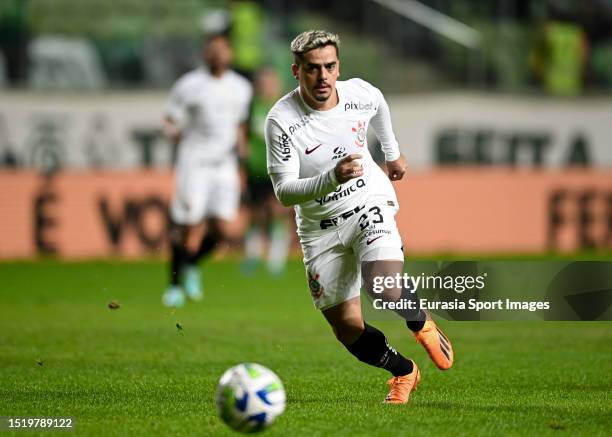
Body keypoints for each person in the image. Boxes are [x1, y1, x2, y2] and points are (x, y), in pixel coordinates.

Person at [264, 30, 453, 404]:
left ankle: (421, 322)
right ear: (296, 71)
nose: (323, 77)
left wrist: (392, 153)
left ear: (338, 67)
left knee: (382, 283)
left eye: (330, 67)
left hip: (368, 201)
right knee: (347, 329)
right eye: (312, 69)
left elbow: (379, 105)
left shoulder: (359, 94)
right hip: (319, 229)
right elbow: (284, 192)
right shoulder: (281, 120)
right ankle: (403, 372)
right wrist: (330, 177)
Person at [162, 33, 252, 307]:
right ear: (205, 54)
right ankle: (174, 287)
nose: (217, 55)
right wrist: (175, 134)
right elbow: (169, 119)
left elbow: (239, 123)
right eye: (211, 50)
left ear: (230, 54)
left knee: (223, 231)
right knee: (189, 224)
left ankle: (191, 265)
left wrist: (242, 147)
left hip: (224, 164)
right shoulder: (189, 85)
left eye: (222, 50)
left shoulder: (241, 87)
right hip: (195, 162)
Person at [242, 67, 291, 276]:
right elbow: (243, 134)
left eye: (270, 82)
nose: (266, 86)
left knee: (277, 210)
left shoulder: (285, 108)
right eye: (263, 82)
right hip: (255, 166)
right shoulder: (252, 107)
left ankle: (276, 258)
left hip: (279, 168)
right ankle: (252, 255)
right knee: (256, 213)